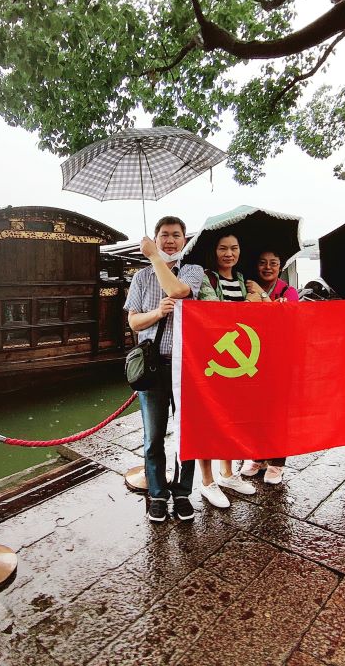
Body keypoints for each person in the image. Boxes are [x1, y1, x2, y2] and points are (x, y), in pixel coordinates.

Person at [123, 216, 205, 523]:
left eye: (176, 235)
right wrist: (157, 312)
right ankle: (157, 493)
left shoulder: (193, 271)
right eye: (164, 235)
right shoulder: (141, 277)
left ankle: (182, 492)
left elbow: (179, 291)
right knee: (153, 436)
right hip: (154, 365)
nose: (170, 240)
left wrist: (155, 258)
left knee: (188, 434)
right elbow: (134, 322)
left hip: (187, 366)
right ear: (155, 238)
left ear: (185, 240)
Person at [195, 233, 263, 509]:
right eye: (223, 248)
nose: (229, 253)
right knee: (207, 419)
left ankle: (227, 473)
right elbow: (215, 312)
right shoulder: (206, 278)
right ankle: (207, 481)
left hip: (238, 362)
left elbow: (258, 315)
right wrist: (250, 304)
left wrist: (259, 295)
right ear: (214, 251)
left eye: (234, 248)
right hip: (212, 359)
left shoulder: (243, 280)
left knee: (231, 419)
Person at [241, 249, 300, 484]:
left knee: (279, 411)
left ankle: (277, 462)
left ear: (280, 266)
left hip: (280, 358)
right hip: (253, 357)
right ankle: (257, 456)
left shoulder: (288, 292)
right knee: (255, 409)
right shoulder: (246, 287)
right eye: (262, 263)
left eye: (273, 263)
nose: (268, 267)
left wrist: (264, 297)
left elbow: (290, 320)